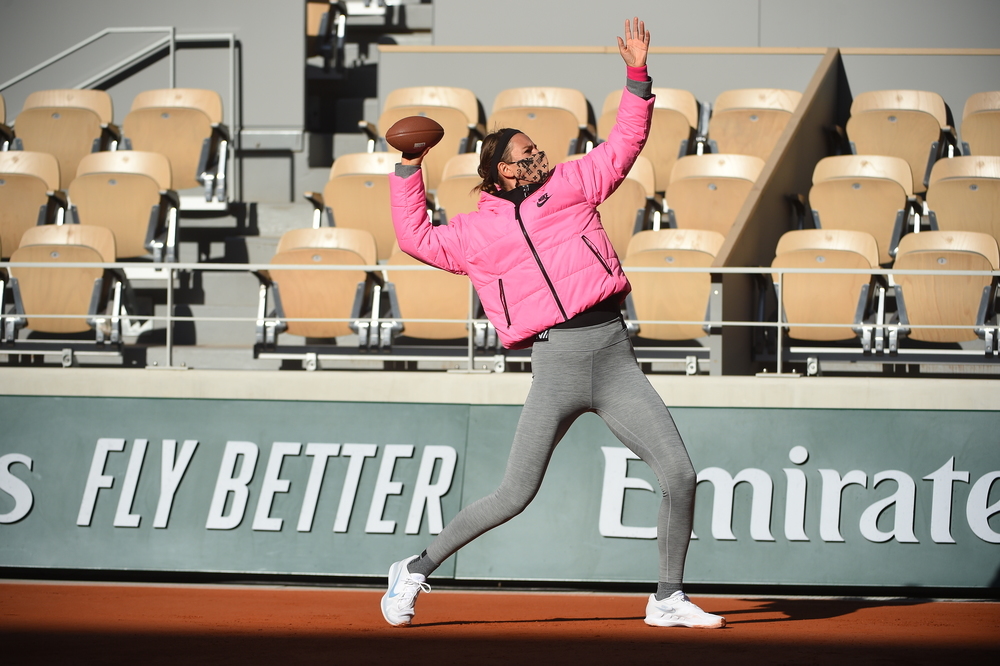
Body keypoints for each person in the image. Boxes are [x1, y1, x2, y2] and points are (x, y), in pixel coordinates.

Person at [382, 17, 724, 630]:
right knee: (515, 494)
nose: (539, 156)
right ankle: (413, 569)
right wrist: (411, 167)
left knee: (680, 473)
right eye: (526, 155)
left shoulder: (571, 184)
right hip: (556, 365)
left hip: (614, 354)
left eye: (537, 149)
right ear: (501, 172)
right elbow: (413, 237)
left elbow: (624, 143)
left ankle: (667, 597)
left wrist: (637, 75)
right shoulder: (474, 234)